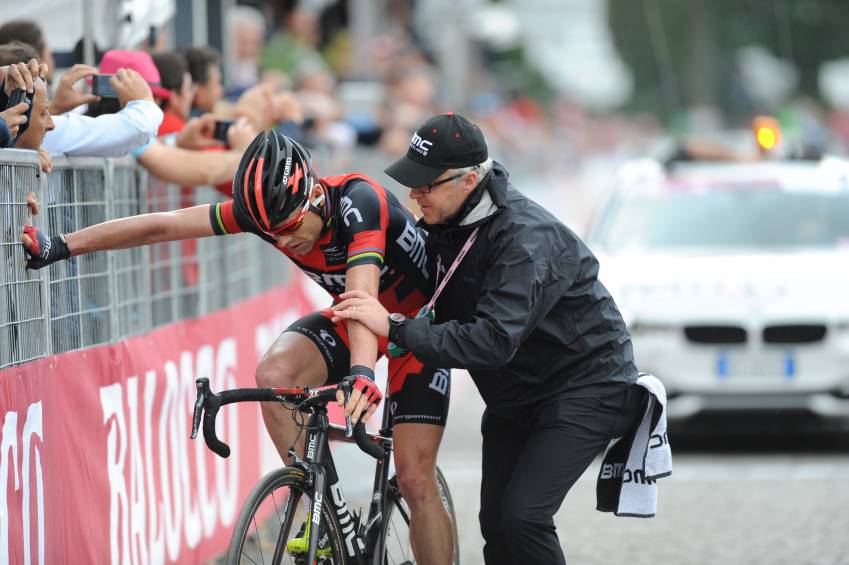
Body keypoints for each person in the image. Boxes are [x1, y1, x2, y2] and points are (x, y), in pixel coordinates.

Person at [20, 131, 454, 564]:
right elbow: (161, 225)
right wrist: (62, 245)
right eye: (272, 235)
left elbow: (362, 300)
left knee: (416, 480)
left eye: (288, 230)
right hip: (358, 319)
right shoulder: (267, 215)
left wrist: (361, 373)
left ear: (315, 197)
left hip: (415, 332)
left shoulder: (359, 203)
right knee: (274, 376)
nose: (283, 243)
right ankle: (320, 508)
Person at [331, 113, 644, 564]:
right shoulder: (446, 218)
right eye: (412, 181)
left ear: (469, 180)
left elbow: (492, 341)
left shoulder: (525, 238)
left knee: (524, 519)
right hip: (516, 393)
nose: (415, 193)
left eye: (426, 184)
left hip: (586, 384)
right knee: (495, 526)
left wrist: (397, 327)